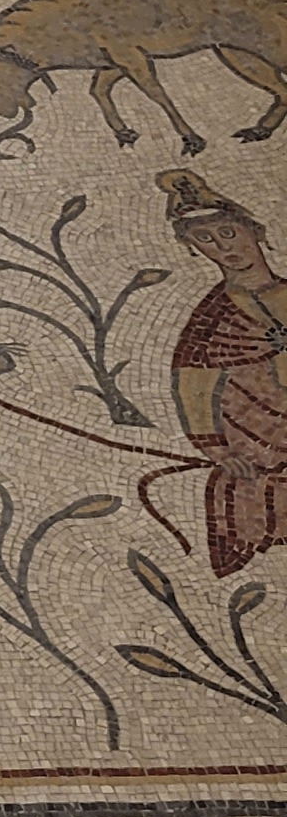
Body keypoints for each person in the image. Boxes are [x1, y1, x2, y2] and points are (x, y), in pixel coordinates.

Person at [158, 169, 287, 574]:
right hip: (254, 443)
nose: (223, 247)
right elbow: (192, 384)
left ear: (255, 230)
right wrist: (218, 451)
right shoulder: (211, 317)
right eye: (205, 239)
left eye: (229, 232)